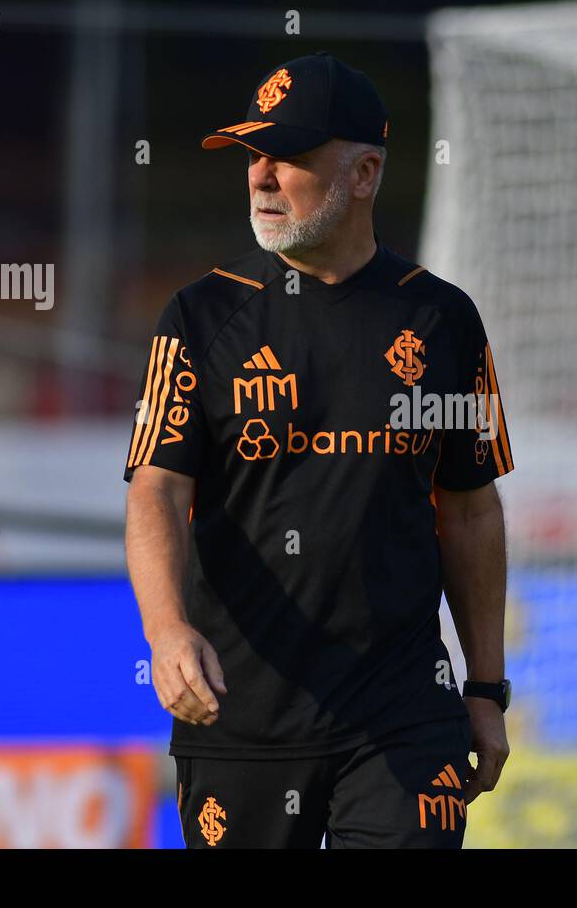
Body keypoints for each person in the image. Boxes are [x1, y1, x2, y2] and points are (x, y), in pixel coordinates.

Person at [123, 52, 514, 848]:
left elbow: (471, 511)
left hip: (404, 717)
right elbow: (154, 494)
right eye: (252, 155)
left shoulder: (443, 321)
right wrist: (166, 634)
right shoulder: (199, 319)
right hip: (240, 717)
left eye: (290, 156)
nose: (261, 176)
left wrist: (485, 687)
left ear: (365, 172)